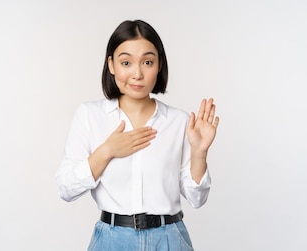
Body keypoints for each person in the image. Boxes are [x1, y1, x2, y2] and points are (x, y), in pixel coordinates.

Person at [56, 19, 219, 251]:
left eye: (148, 62)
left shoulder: (180, 122)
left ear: (159, 64)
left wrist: (199, 152)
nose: (137, 74)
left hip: (169, 239)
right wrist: (107, 151)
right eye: (126, 62)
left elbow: (197, 199)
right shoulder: (89, 116)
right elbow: (66, 188)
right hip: (112, 240)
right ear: (111, 65)